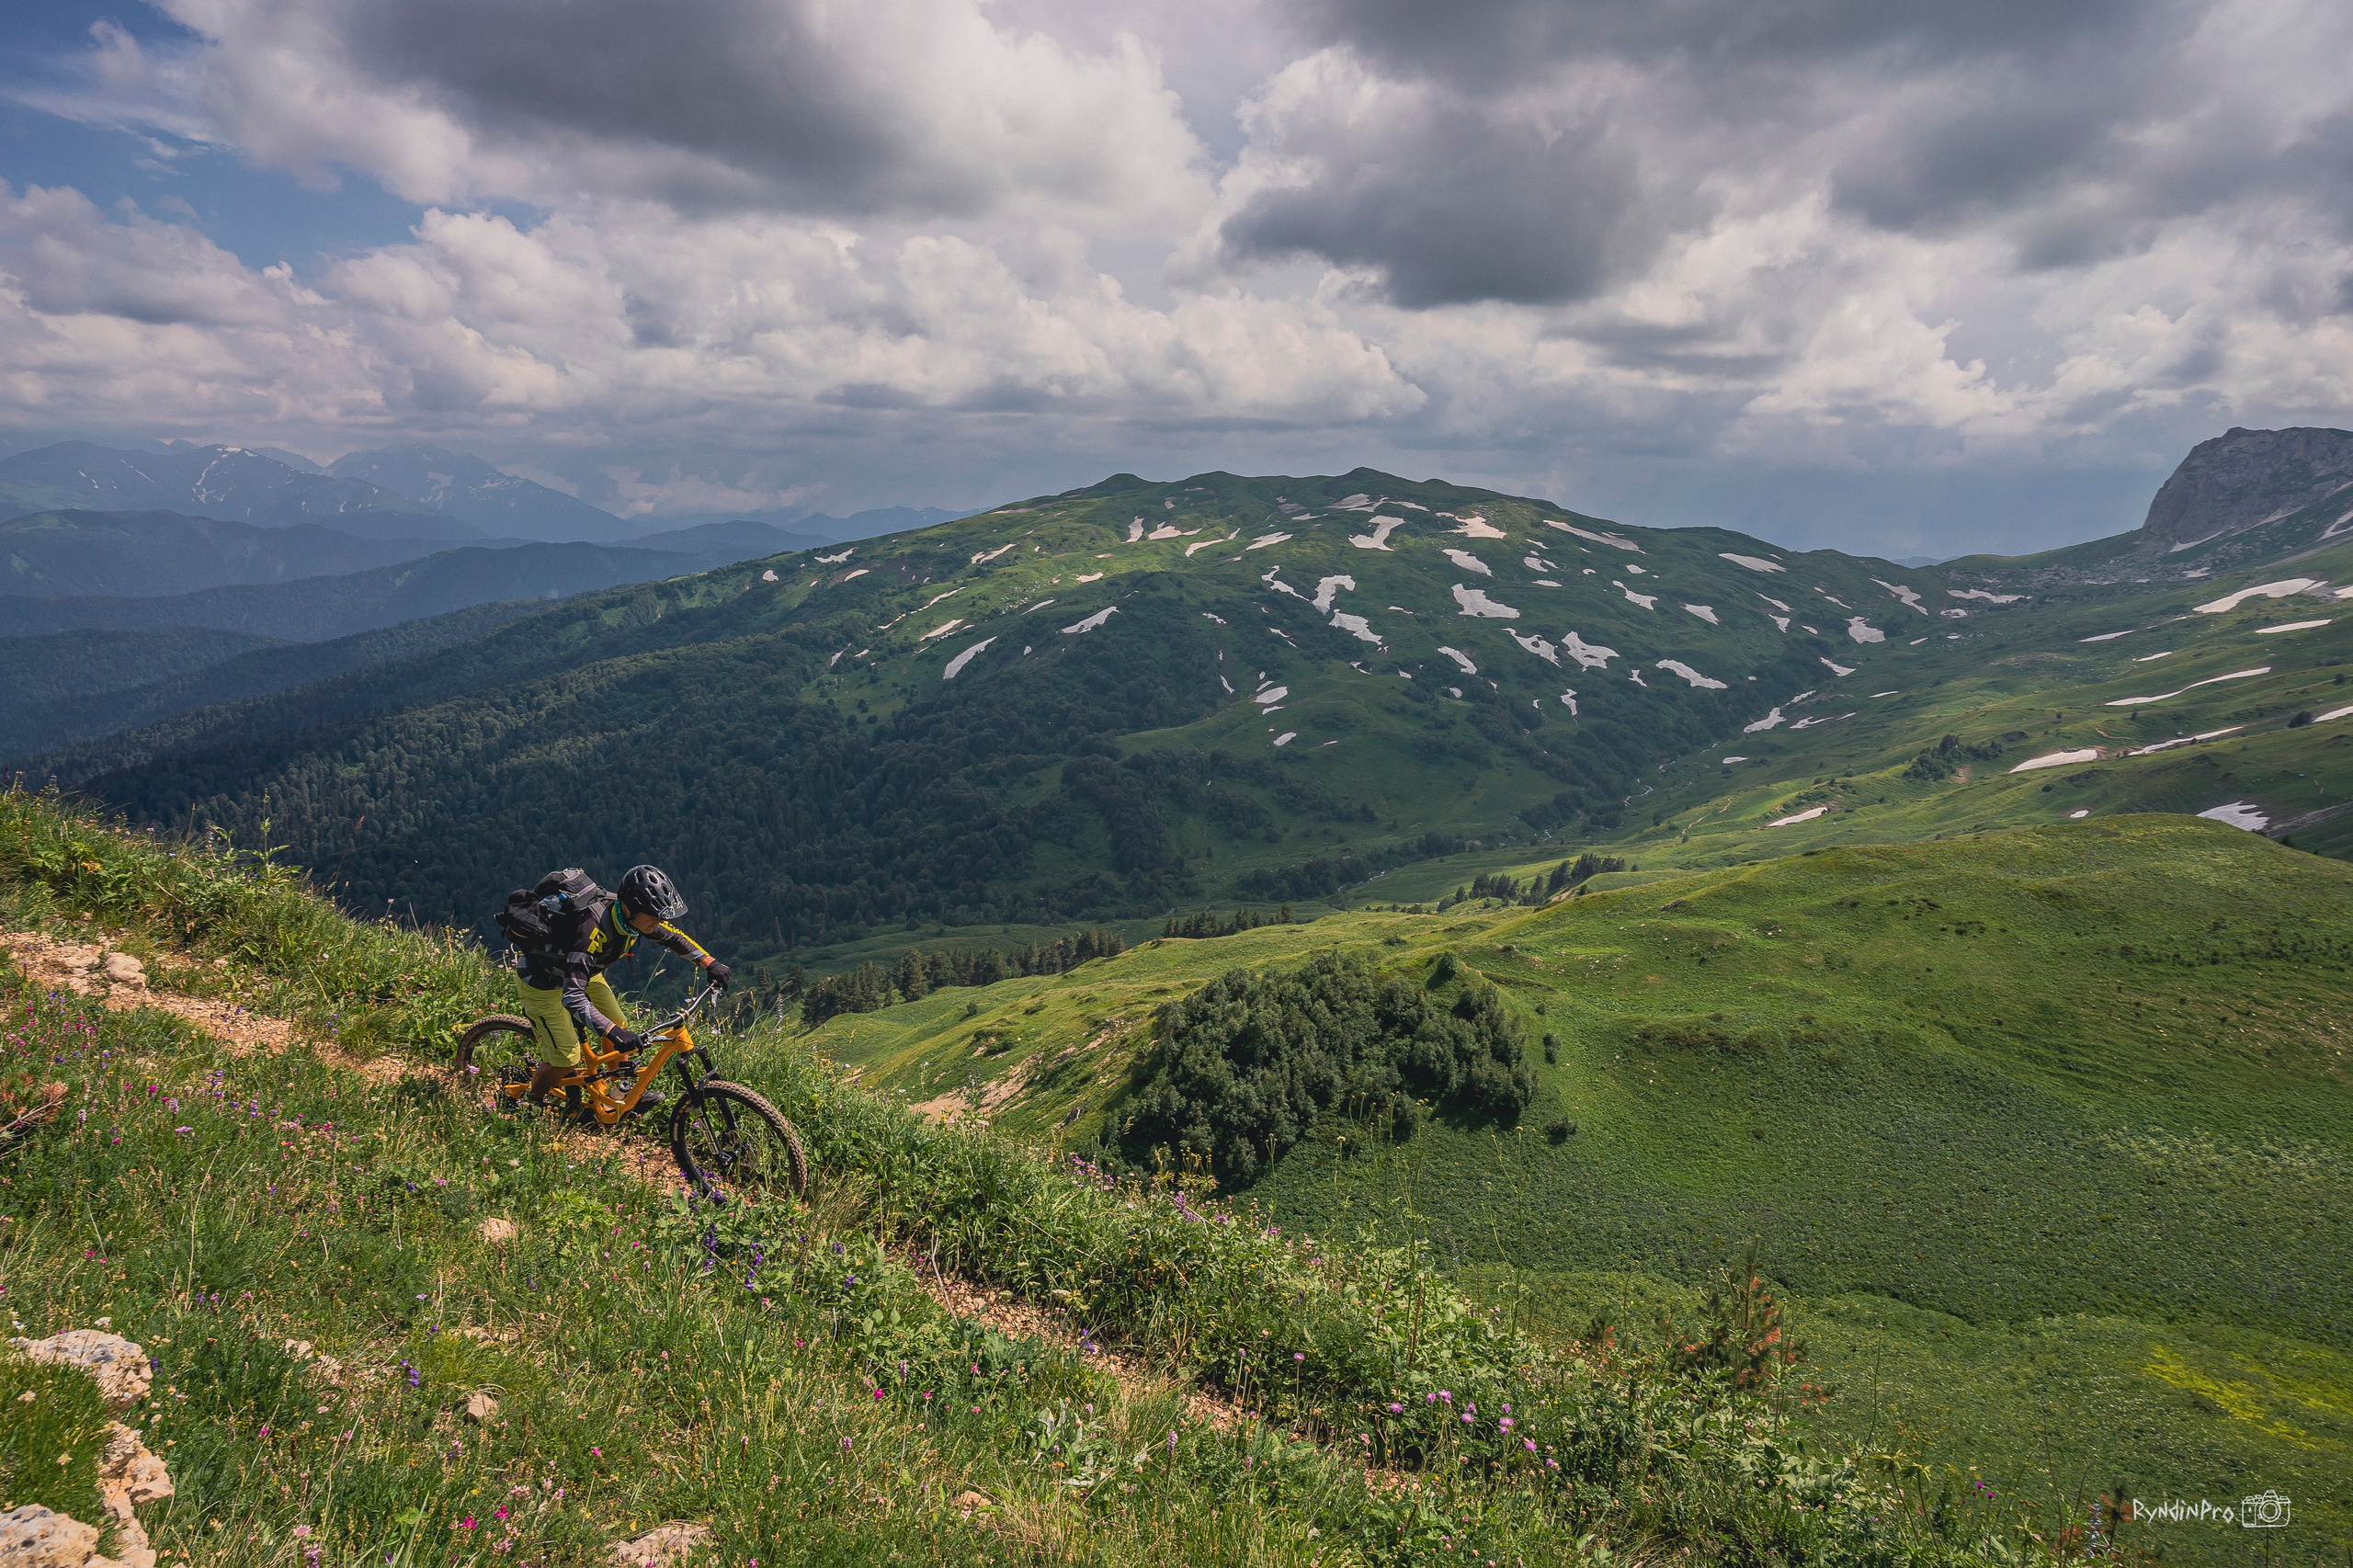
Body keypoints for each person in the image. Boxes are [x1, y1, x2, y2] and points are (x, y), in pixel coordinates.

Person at [506, 865, 731, 1118]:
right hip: (543, 983)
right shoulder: (591, 930)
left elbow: (673, 937)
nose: (661, 921)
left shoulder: (633, 919)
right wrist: (613, 1032)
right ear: (631, 909)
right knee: (565, 1058)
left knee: (617, 1022)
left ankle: (619, 1092)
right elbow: (572, 995)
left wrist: (709, 963)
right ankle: (530, 1099)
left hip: (584, 971)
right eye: (655, 916)